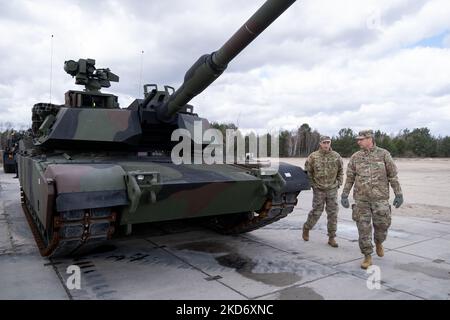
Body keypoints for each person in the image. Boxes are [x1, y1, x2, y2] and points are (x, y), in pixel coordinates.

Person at [341, 130, 403, 269]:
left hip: (380, 199)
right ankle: (367, 256)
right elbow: (350, 178)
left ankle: (379, 242)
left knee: (382, 225)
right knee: (363, 229)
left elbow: (393, 176)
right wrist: (345, 194)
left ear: (370, 139)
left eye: (361, 139)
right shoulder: (355, 157)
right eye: (358, 139)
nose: (358, 142)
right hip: (361, 200)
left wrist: (398, 193)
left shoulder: (384, 154)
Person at [302, 135, 343, 247]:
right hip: (319, 189)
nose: (326, 144)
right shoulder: (313, 157)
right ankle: (307, 228)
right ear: (320, 143)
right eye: (324, 142)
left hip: (332, 189)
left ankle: (331, 237)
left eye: (328, 142)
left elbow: (340, 171)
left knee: (333, 214)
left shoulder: (336, 156)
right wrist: (313, 185)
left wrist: (339, 183)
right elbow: (308, 172)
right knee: (316, 212)